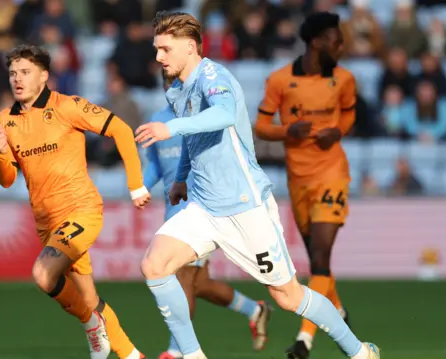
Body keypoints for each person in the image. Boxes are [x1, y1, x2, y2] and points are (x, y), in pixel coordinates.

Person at [135, 11, 380, 359]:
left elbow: (221, 115)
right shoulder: (178, 91)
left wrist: (169, 130)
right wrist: (179, 178)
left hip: (244, 206)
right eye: (156, 49)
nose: (158, 57)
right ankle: (191, 355)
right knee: (154, 265)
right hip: (204, 206)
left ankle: (359, 352)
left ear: (190, 47)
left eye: (165, 49)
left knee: (288, 295)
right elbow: (194, 138)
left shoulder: (214, 76)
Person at [0, 44, 150, 359]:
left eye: (25, 72)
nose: (17, 79)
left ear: (44, 76)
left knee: (43, 274)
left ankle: (92, 326)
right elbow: (7, 179)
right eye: (13, 73)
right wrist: (0, 153)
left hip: (81, 211)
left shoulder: (67, 107)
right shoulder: (6, 119)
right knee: (89, 298)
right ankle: (132, 355)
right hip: (46, 222)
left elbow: (120, 129)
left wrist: (136, 185)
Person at [143, 71, 272, 359]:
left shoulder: (201, 116)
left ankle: (177, 351)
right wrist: (139, 187)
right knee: (199, 284)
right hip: (172, 212)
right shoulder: (157, 121)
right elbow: (155, 164)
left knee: (183, 277)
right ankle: (256, 309)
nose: (171, 86)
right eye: (166, 81)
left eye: (175, 80)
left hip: (201, 209)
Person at [254, 12, 357, 359]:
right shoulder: (281, 80)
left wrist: (338, 131)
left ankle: (305, 340)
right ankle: (338, 312)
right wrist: (287, 132)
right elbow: (261, 125)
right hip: (298, 179)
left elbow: (349, 113)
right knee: (318, 260)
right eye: (335, 39)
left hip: (332, 174)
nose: (340, 46)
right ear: (315, 42)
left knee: (320, 257)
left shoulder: (343, 79)